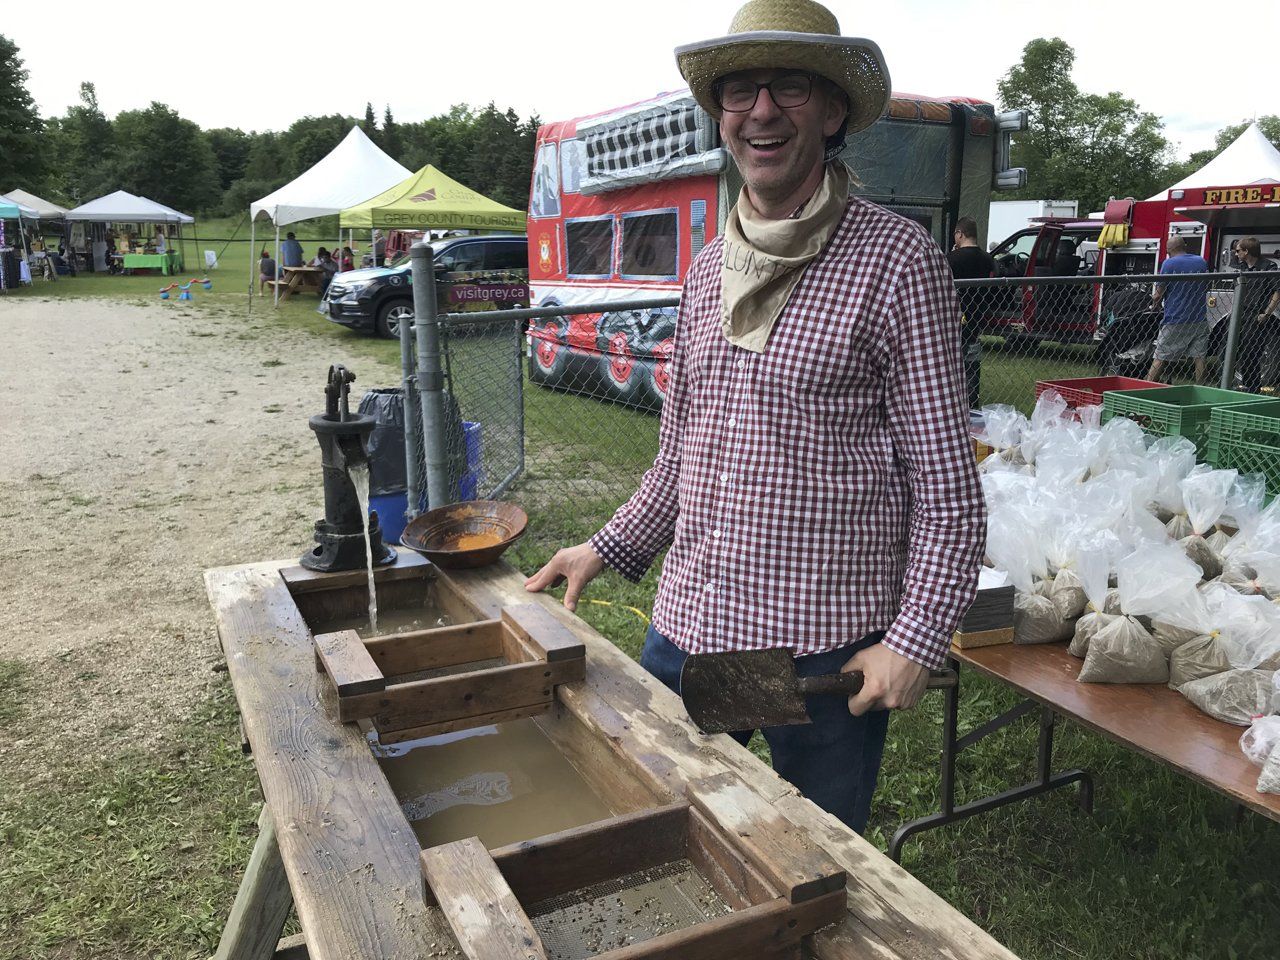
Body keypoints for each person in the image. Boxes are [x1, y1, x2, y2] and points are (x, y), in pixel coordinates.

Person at [524, 0, 985, 835]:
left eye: (790, 88)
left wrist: (916, 640)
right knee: (665, 829)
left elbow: (948, 489)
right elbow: (683, 456)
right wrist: (604, 545)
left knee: (808, 857)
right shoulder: (705, 275)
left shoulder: (897, 263)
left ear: (835, 110)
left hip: (820, 654)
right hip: (697, 630)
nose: (761, 110)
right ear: (720, 115)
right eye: (739, 91)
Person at [1147, 235, 1210, 384]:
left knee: (1160, 356)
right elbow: (1205, 286)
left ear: (1169, 250)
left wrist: (1154, 306)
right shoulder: (1201, 262)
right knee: (1200, 357)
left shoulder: (1169, 264)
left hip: (1175, 319)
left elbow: (1158, 294)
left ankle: (1146, 386)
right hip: (1199, 318)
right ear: (1184, 246)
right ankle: (1201, 387)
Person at [948, 216, 995, 409]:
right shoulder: (988, 259)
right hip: (977, 316)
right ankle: (972, 401)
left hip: (954, 317)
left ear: (960, 234)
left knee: (951, 362)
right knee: (972, 361)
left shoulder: (951, 259)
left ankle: (951, 400)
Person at [1233, 237, 1280, 392]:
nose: (1236, 253)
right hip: (1241, 315)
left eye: (1239, 250)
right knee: (1227, 352)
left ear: (1247, 251)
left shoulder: (1268, 266)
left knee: (1251, 355)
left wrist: (1266, 313)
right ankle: (1230, 385)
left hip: (1257, 316)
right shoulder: (1242, 268)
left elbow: (1277, 291)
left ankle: (1253, 389)